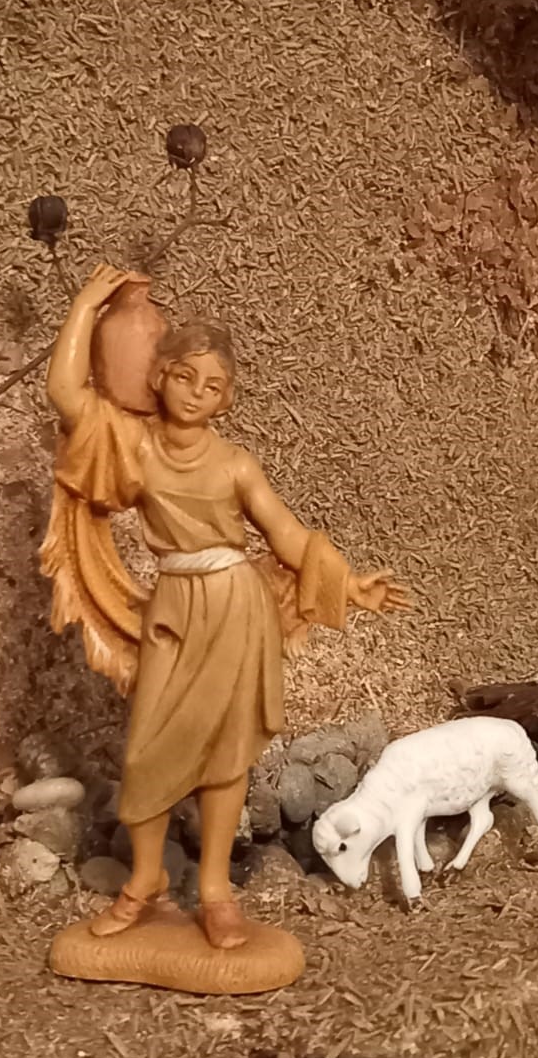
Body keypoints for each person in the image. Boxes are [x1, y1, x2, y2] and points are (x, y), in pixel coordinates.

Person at [45, 265, 410, 951]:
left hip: (237, 610)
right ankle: (144, 881)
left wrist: (350, 585)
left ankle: (215, 891)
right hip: (175, 610)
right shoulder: (133, 444)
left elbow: (287, 535)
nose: (196, 392)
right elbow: (66, 392)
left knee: (225, 757)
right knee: (147, 751)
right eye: (185, 376)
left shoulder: (236, 463)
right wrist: (88, 304)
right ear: (159, 377)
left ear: (226, 399)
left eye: (213, 386)